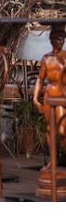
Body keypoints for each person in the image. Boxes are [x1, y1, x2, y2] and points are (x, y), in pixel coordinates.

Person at [33, 28, 66, 169]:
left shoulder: (65, 57)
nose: (62, 41)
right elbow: (40, 79)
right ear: (51, 40)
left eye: (63, 38)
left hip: (62, 95)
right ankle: (53, 161)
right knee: (50, 129)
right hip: (49, 94)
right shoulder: (46, 58)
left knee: (62, 130)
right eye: (59, 38)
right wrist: (35, 98)